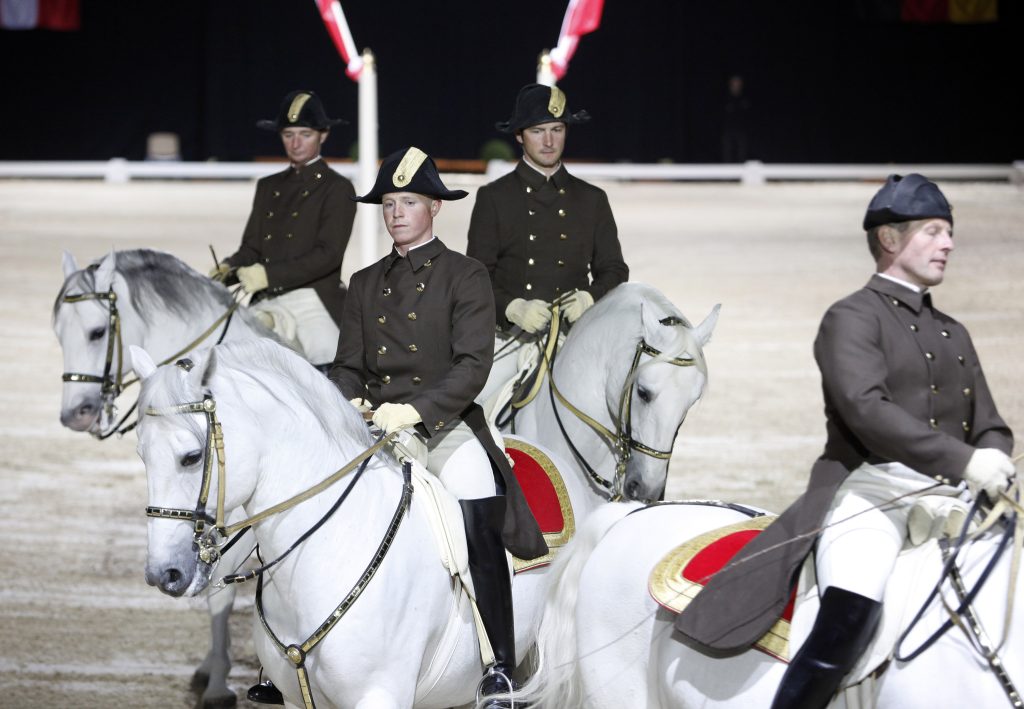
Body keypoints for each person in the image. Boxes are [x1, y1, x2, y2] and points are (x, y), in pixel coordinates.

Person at [675, 174, 1015, 709]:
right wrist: (967, 461)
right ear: (890, 239)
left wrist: (995, 456)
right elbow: (866, 411)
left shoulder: (953, 330)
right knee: (849, 618)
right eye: (933, 231)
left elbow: (988, 420)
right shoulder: (852, 318)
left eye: (949, 232)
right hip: (872, 496)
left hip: (955, 496)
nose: (948, 243)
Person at [328, 146, 547, 705]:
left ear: (434, 208)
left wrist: (419, 412)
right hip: (376, 428)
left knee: (476, 507)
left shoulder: (466, 275)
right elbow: (348, 365)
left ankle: (498, 662)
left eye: (410, 202)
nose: (397, 212)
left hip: (445, 427)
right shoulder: (363, 281)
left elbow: (473, 366)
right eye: (390, 203)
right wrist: (353, 403)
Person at [466, 83, 628, 408]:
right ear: (519, 135)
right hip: (511, 339)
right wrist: (511, 308)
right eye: (538, 131)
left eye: (557, 129)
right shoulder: (495, 198)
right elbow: (477, 274)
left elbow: (614, 268)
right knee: (467, 410)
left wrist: (590, 297)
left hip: (577, 336)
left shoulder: (591, 199)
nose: (549, 141)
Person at [211, 89, 356, 366]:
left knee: (331, 368)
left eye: (305, 134)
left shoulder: (337, 188)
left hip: (312, 300)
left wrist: (267, 275)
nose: (296, 143)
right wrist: (226, 270)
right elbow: (252, 248)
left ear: (323, 135)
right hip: (266, 298)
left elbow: (328, 255)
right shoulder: (268, 186)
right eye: (288, 135)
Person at [721, 74, 751, 163]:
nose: (736, 84)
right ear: (731, 84)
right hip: (727, 129)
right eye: (734, 82)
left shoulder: (745, 97)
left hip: (742, 129)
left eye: (738, 82)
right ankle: (727, 175)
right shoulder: (725, 97)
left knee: (742, 153)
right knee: (727, 153)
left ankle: (741, 174)